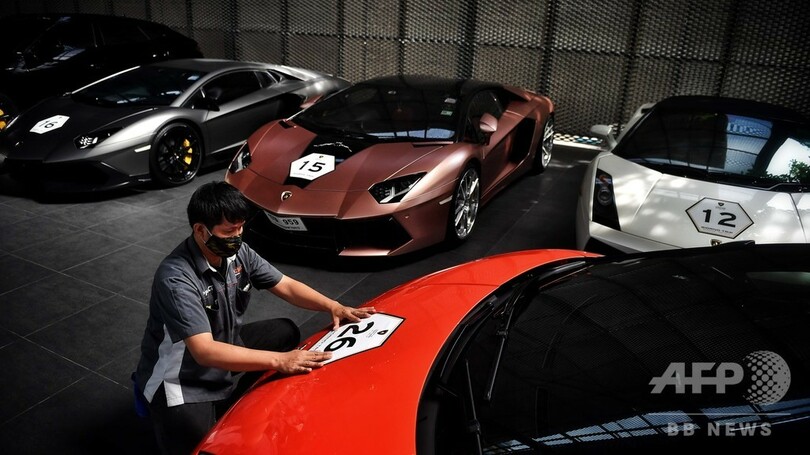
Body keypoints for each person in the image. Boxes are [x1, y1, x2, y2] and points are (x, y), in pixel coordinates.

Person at [134, 181, 375, 455]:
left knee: (283, 331)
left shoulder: (238, 253)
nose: (237, 236)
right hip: (182, 377)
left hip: (223, 345)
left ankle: (239, 404)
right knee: (203, 447)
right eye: (229, 231)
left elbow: (286, 285)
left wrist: (333, 306)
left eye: (240, 228)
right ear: (200, 230)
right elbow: (204, 351)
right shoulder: (176, 278)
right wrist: (280, 360)